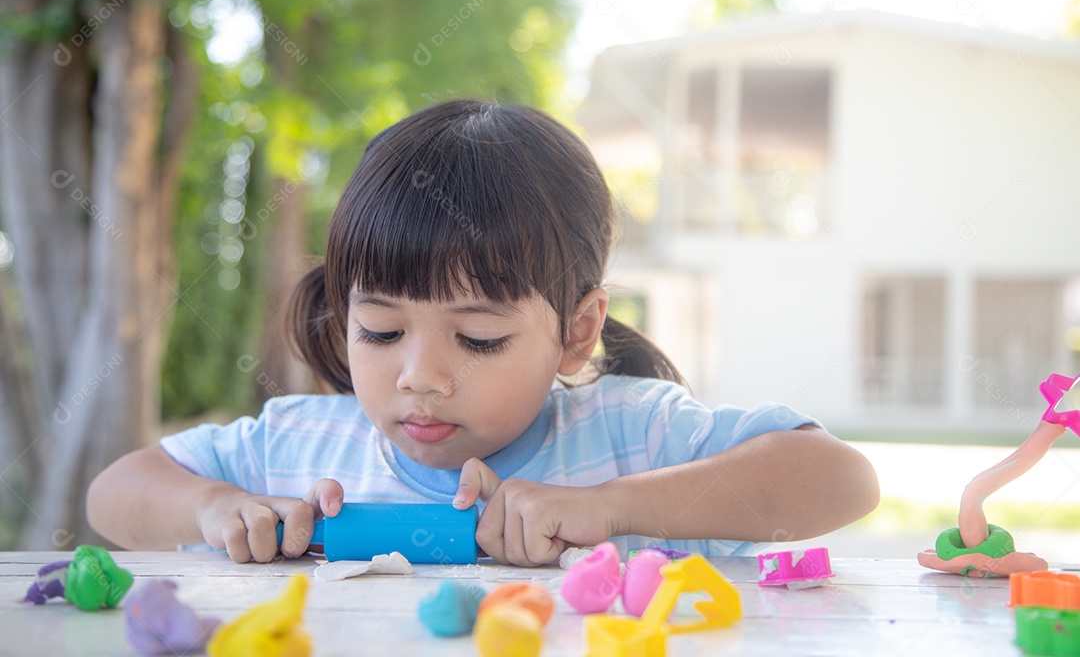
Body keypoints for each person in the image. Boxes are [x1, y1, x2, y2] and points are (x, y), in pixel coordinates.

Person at [87, 99, 879, 567]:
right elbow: (113, 495)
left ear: (577, 330)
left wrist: (616, 507)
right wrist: (212, 508)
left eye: (479, 340)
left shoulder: (634, 437)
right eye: (381, 330)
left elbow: (841, 480)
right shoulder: (297, 448)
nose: (420, 377)